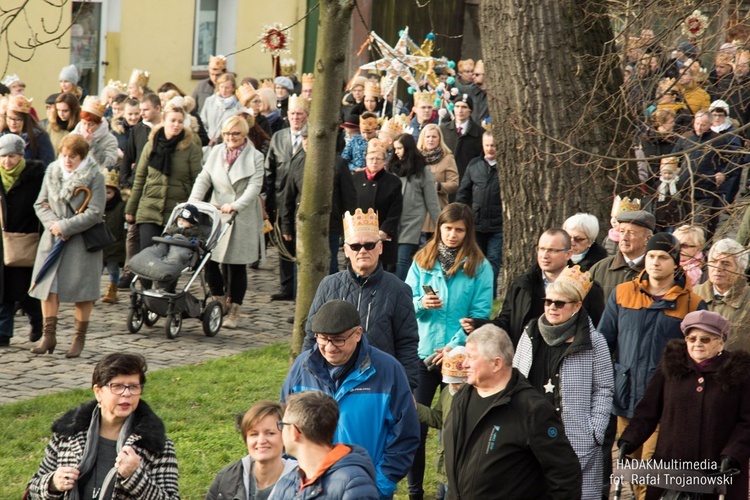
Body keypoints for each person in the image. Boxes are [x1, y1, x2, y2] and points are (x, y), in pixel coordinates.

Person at [598, 232, 705, 500]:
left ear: (676, 263)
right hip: (626, 396)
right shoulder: (622, 293)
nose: (655, 262)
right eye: (652, 256)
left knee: (651, 472)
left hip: (665, 402)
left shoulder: (692, 303)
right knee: (631, 468)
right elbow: (603, 343)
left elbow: (697, 355)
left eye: (663, 257)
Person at [281, 300, 419, 499]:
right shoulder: (301, 368)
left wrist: (378, 486)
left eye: (338, 339)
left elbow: (405, 436)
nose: (329, 347)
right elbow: (285, 428)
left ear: (358, 333)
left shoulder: (389, 371)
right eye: (322, 338)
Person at [405, 203, 494, 499]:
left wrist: (454, 346)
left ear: (467, 232)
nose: (452, 235)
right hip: (423, 354)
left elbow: (479, 313)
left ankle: (449, 488)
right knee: (415, 424)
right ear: (438, 228)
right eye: (447, 228)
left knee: (455, 428)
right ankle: (415, 491)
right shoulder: (421, 260)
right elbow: (407, 300)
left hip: (460, 360)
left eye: (459, 230)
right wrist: (421, 303)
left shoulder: (480, 267)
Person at [619, 311, 750, 500]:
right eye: (692, 338)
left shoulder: (739, 372)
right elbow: (647, 411)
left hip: (718, 469)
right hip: (671, 466)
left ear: (721, 342)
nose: (697, 343)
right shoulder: (671, 366)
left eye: (705, 339)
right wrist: (628, 441)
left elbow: (747, 422)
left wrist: (733, 454)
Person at [444, 324, 582, 499]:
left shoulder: (532, 410)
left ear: (496, 364)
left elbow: (565, 475)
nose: (464, 364)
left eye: (471, 357)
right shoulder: (462, 397)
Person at [513, 265, 614, 499]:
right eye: (548, 302)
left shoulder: (595, 342)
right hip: (532, 435)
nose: (552, 308)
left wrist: (595, 431)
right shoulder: (530, 334)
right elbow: (516, 380)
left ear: (577, 306)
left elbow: (604, 389)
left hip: (578, 438)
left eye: (560, 303)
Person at [26, 353, 179, 498]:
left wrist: (136, 477)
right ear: (98, 391)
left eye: (133, 387)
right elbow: (32, 491)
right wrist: (52, 483)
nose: (126, 394)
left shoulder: (157, 444)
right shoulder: (67, 434)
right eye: (117, 386)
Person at [303, 208, 421, 388]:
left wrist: (407, 388)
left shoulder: (398, 290)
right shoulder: (328, 285)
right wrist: (304, 376)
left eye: (370, 245)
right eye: (356, 246)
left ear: (380, 247)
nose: (363, 251)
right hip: (332, 381)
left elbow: (407, 344)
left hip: (378, 383)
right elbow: (312, 336)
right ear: (346, 251)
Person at [29, 134, 105, 358]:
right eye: (65, 155)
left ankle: (78, 340)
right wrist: (53, 224)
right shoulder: (52, 171)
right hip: (53, 238)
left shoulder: (95, 176)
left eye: (73, 156)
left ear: (82, 157)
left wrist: (67, 226)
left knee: (82, 291)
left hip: (81, 241)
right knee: (48, 288)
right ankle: (48, 336)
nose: (68, 160)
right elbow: (40, 203)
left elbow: (95, 212)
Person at [189, 115, 265, 328]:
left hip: (242, 215)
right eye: (227, 134)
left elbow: (254, 187)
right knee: (211, 261)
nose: (231, 138)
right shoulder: (216, 152)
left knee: (236, 265)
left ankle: (234, 310)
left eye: (235, 134)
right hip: (217, 213)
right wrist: (194, 200)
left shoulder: (255, 157)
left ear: (244, 135)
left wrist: (237, 205)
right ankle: (218, 301)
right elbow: (204, 177)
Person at [468, 228, 605, 346]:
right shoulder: (522, 286)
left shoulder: (587, 289)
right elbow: (507, 323)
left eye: (552, 250)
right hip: (528, 362)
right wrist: (479, 325)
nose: (545, 255)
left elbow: (598, 331)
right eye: (542, 249)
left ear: (568, 254)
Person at [125, 102, 202, 288]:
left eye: (180, 121)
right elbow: (140, 178)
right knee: (147, 255)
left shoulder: (190, 148)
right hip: (149, 209)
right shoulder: (151, 145)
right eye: (172, 121)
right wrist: (131, 208)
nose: (176, 125)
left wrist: (193, 210)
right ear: (164, 121)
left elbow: (197, 180)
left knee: (172, 258)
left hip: (176, 214)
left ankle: (166, 296)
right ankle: (145, 296)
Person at [271, 391, 379, 500]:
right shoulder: (286, 483)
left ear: (295, 432)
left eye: (282, 425)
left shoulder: (354, 484)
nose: (281, 431)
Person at [281, 128, 356, 275]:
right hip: (303, 225)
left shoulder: (338, 163)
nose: (307, 142)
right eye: (304, 138)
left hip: (330, 225)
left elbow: (349, 198)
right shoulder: (297, 163)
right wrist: (286, 226)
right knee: (302, 267)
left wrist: (349, 228)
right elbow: (288, 197)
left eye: (310, 138)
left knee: (330, 264)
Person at [0, 134, 44, 347]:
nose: (7, 161)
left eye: (11, 156)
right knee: (2, 288)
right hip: (1, 238)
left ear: (20, 155)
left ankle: (37, 318)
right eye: (3, 157)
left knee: (23, 289)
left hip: (24, 238)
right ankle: (3, 331)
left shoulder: (35, 176)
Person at [265, 94, 309, 301]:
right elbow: (270, 169)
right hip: (281, 198)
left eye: (300, 114)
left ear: (307, 116)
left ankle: (302, 287)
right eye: (292, 114)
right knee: (284, 243)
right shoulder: (278, 137)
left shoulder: (311, 139)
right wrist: (267, 197)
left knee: (302, 245)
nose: (296, 117)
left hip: (303, 199)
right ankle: (286, 286)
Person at [206, 400, 297, 500]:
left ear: (285, 437)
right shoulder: (227, 477)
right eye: (254, 434)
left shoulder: (303, 482)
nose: (261, 441)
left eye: (270, 433)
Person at [415, 347, 467, 499]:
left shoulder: (475, 397)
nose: (454, 387)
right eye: (451, 383)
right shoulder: (447, 393)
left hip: (461, 472)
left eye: (458, 383)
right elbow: (438, 419)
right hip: (445, 467)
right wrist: (415, 408)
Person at [388, 133, 441, 280]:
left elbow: (432, 200)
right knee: (392, 259)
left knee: (402, 257)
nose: (396, 152)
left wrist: (440, 224)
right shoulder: (392, 167)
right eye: (395, 149)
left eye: (399, 148)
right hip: (393, 219)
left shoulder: (422, 170)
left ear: (408, 148)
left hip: (412, 220)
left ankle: (399, 290)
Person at [456, 130, 503, 292]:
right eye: (487, 145)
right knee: (476, 260)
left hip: (498, 225)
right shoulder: (474, 164)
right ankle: (476, 292)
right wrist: (459, 215)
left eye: (493, 145)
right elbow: (464, 192)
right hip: (476, 223)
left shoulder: (505, 167)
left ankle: (490, 293)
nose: (490, 149)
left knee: (494, 260)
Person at [351, 139, 403, 271]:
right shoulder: (356, 178)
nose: (374, 162)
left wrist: (384, 230)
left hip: (382, 237)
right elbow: (349, 205)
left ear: (384, 161)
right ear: (366, 159)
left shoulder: (393, 182)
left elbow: (395, 210)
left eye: (379, 159)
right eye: (371, 158)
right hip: (359, 235)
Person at [693, 239, 750, 350]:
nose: (718, 268)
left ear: (740, 269)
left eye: (726, 264)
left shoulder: (747, 300)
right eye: (714, 261)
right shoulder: (693, 295)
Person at [590, 208, 656, 300]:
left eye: (631, 233)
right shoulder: (600, 269)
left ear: (647, 239)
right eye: (622, 232)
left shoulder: (655, 270)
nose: (624, 237)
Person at [417, 124, 459, 235]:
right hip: (417, 212)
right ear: (423, 138)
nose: (430, 139)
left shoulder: (447, 158)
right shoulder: (415, 158)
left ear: (439, 139)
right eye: (428, 137)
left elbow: (454, 184)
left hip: (437, 211)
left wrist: (435, 186)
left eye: (434, 137)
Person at [440, 93, 483, 181]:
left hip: (468, 179)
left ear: (470, 111)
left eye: (464, 107)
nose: (460, 110)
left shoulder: (480, 133)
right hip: (446, 179)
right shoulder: (443, 130)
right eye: (457, 106)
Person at [2, 95, 55, 166]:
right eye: (9, 118)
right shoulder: (3, 136)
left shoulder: (40, 137)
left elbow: (47, 164)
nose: (13, 123)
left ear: (26, 120)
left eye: (17, 119)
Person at [71, 96, 119, 169]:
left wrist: (92, 144)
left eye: (91, 124)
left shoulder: (110, 140)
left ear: (99, 124)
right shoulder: (73, 135)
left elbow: (109, 163)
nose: (86, 128)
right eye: (84, 123)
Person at [101, 169, 126, 304]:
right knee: (96, 269)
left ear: (115, 193)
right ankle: (91, 291)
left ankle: (112, 289)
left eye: (109, 192)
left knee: (112, 268)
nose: (106, 195)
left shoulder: (120, 206)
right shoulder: (98, 205)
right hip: (99, 244)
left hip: (115, 243)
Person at [201, 73, 241, 146]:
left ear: (233, 88)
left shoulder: (238, 104)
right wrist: (208, 137)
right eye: (221, 87)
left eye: (227, 88)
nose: (224, 90)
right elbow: (203, 122)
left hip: (228, 143)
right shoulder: (210, 101)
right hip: (210, 142)